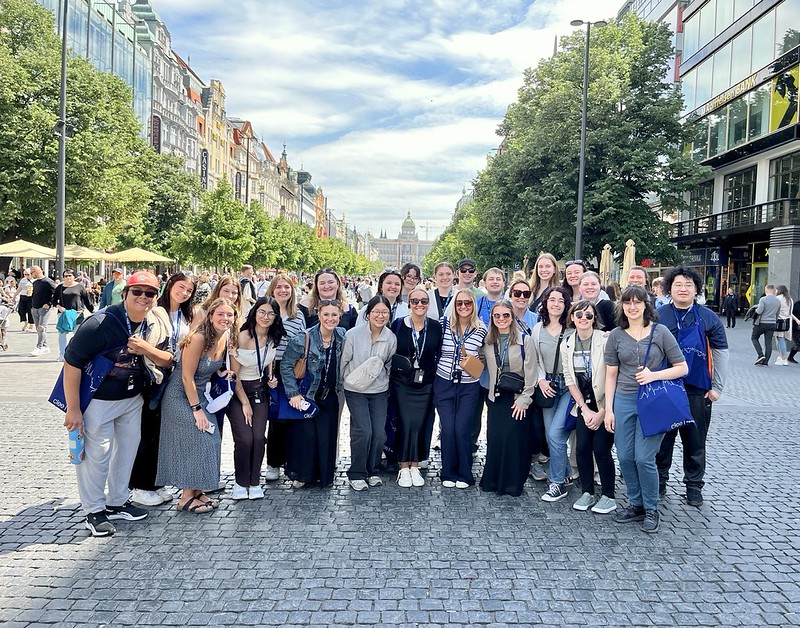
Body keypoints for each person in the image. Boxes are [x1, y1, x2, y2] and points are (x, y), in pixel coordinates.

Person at [63, 271, 171, 536]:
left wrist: (145, 349)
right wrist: (73, 409)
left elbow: (167, 358)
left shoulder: (153, 322)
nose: (143, 297)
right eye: (137, 291)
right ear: (125, 294)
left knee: (127, 453)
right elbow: (72, 363)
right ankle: (94, 510)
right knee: (97, 456)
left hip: (132, 399)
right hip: (99, 400)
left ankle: (118, 501)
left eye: (150, 293)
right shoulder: (100, 323)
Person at [604, 286, 687, 534]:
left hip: (653, 400)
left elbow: (682, 367)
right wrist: (608, 410)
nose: (632, 307)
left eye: (637, 302)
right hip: (624, 399)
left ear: (646, 305)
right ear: (622, 306)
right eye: (627, 302)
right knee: (625, 456)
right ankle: (636, 503)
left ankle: (651, 507)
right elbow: (611, 375)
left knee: (643, 457)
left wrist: (653, 375)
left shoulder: (660, 332)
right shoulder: (616, 335)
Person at [156, 298, 238, 514]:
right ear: (210, 317)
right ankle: (185, 498)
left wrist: (221, 372)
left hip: (200, 395)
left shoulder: (225, 336)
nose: (225, 318)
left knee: (211, 439)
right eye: (220, 314)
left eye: (229, 315)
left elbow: (208, 367)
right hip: (180, 397)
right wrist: (196, 409)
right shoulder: (198, 338)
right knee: (199, 438)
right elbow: (186, 376)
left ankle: (198, 491)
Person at [655, 266, 728, 507]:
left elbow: (721, 353)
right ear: (670, 288)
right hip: (664, 388)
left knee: (695, 441)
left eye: (688, 285)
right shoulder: (658, 315)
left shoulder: (708, 317)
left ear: (696, 289)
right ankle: (659, 481)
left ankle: (694, 486)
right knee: (662, 440)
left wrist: (717, 387)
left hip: (698, 390)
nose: (683, 289)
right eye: (678, 285)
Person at [129, 272, 196, 507]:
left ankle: (155, 482)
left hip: (174, 378)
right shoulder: (155, 311)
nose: (184, 293)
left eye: (189, 290)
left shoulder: (186, 315)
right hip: (154, 377)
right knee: (147, 432)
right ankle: (140, 486)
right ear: (170, 286)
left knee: (161, 433)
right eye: (181, 287)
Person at [281, 300, 345, 488]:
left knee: (327, 438)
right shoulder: (302, 339)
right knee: (306, 437)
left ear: (339, 316)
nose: (330, 319)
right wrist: (293, 393)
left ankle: (323, 476)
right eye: (326, 314)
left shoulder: (342, 336)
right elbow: (286, 366)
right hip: (307, 396)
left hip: (330, 395)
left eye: (334, 315)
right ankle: (302, 475)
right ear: (319, 315)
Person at [561, 300, 616, 514]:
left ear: (595, 319)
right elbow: (569, 380)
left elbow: (613, 376)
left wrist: (602, 412)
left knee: (601, 448)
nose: (584, 318)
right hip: (584, 404)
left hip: (606, 403)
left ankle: (609, 496)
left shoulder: (605, 340)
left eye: (589, 315)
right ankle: (587, 492)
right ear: (572, 318)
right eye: (579, 315)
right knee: (582, 448)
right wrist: (584, 409)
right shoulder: (567, 343)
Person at [479, 300, 537, 497]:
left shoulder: (525, 341)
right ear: (492, 318)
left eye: (506, 315)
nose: (501, 319)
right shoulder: (488, 341)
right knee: (496, 440)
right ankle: (493, 481)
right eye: (497, 315)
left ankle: (511, 484)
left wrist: (524, 400)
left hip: (517, 397)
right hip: (495, 398)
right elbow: (479, 363)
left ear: (512, 317)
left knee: (514, 442)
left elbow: (531, 374)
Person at [228, 297, 284, 500]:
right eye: (262, 312)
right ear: (255, 312)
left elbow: (267, 360)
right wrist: (244, 403)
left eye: (271, 313)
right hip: (239, 391)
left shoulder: (273, 337)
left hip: (260, 390)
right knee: (245, 439)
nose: (266, 317)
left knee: (259, 438)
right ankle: (240, 482)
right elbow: (233, 376)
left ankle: (254, 482)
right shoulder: (242, 337)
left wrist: (270, 377)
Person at [342, 296, 397, 491]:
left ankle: (372, 470)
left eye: (384, 312)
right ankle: (357, 473)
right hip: (355, 389)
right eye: (376, 312)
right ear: (368, 314)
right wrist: (344, 382)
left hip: (379, 390)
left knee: (379, 433)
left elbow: (389, 365)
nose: (380, 316)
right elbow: (344, 361)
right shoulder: (353, 335)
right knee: (363, 430)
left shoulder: (391, 338)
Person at [391, 287, 443, 487]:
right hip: (402, 383)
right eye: (415, 301)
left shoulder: (436, 327)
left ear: (428, 304)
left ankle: (416, 465)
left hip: (426, 383)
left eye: (423, 301)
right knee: (405, 423)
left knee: (421, 424)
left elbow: (441, 353)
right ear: (409, 304)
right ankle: (403, 466)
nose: (419, 304)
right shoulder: (398, 324)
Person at [434, 288, 486, 488]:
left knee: (462, 428)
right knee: (448, 428)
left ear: (473, 305)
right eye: (459, 303)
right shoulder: (443, 324)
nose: (463, 306)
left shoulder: (481, 329)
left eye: (468, 303)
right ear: (454, 305)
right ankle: (448, 472)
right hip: (444, 382)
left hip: (468, 386)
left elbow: (485, 355)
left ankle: (465, 474)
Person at [263, 272, 306, 480]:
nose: (283, 290)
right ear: (272, 289)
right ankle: (273, 462)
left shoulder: (298, 315)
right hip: (270, 367)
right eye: (279, 287)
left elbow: (304, 341)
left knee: (292, 417)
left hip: (291, 368)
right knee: (275, 418)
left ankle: (292, 462)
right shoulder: (265, 311)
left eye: (287, 287)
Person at [532, 286, 574, 502]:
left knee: (556, 434)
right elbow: (535, 359)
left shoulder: (573, 328)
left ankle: (557, 483)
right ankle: (566, 472)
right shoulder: (538, 328)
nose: (556, 304)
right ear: (545, 303)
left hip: (569, 386)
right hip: (547, 385)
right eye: (552, 300)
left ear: (566, 305)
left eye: (561, 300)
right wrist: (540, 380)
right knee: (551, 435)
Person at [52, 269, 94, 362]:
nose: (68, 278)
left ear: (74, 277)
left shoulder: (80, 287)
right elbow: (54, 300)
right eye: (65, 276)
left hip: (77, 314)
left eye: (70, 275)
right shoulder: (60, 287)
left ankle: (80, 354)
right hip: (64, 314)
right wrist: (59, 307)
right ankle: (62, 354)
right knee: (62, 334)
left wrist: (93, 311)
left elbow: (87, 300)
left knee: (79, 334)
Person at [29, 265, 56, 356]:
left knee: (41, 327)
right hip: (35, 307)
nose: (31, 275)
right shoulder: (35, 283)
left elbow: (56, 293)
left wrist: (49, 303)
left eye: (32, 272)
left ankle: (39, 347)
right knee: (39, 329)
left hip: (44, 308)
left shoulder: (48, 282)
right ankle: (45, 346)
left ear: (37, 271)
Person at [752, 284, 781, 366]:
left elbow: (759, 311)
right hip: (772, 323)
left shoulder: (763, 299)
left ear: (766, 290)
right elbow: (778, 313)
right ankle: (766, 361)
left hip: (762, 323)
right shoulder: (778, 301)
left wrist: (755, 310)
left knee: (754, 337)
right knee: (768, 342)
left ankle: (760, 355)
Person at [773, 285, 793, 366]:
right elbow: (790, 312)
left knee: (780, 339)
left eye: (776, 290)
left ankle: (783, 358)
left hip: (779, 321)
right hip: (787, 321)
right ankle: (781, 357)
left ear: (779, 290)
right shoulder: (789, 299)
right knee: (782, 339)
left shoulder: (778, 299)